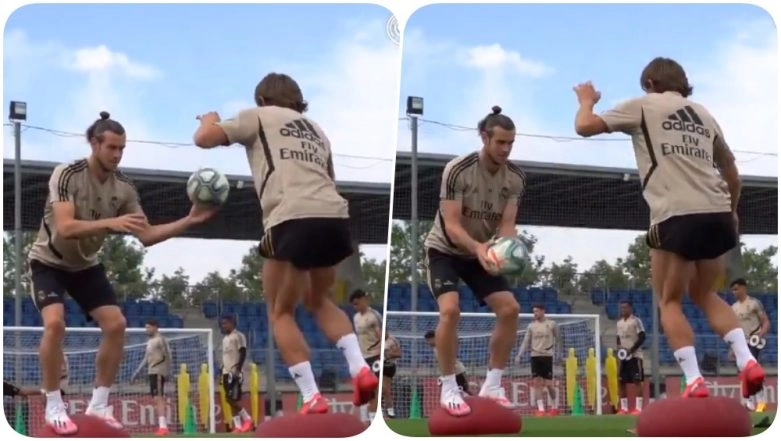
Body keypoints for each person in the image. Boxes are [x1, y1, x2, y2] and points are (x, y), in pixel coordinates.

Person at [572, 57, 764, 399]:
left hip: (676, 214)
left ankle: (694, 381)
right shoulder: (704, 114)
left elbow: (584, 127)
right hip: (718, 215)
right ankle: (747, 359)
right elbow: (733, 172)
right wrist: (733, 212)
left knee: (668, 301)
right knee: (706, 295)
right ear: (683, 84)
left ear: (648, 83)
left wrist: (586, 100)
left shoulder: (644, 105)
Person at [192, 72, 377, 414]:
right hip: (334, 217)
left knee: (279, 311)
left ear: (262, 99)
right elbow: (330, 178)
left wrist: (210, 120)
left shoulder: (257, 115)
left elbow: (203, 139)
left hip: (290, 216)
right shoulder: (317, 130)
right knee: (319, 300)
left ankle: (311, 396)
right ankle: (361, 368)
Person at [27, 111, 218, 434]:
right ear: (94, 143)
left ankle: (99, 404)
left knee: (116, 325)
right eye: (111, 147)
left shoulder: (124, 188)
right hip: (49, 261)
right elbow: (65, 226)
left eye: (122, 149)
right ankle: (54, 404)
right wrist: (111, 223)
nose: (117, 155)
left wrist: (189, 220)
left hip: (85, 265)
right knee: (56, 322)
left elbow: (146, 235)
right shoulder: (67, 174)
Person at [423, 105, 525, 416]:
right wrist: (479, 247)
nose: (506, 149)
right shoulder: (457, 170)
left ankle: (493, 385)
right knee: (451, 311)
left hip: (482, 252)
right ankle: (450, 387)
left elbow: (507, 225)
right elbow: (451, 225)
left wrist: (508, 249)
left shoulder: (516, 178)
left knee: (510, 309)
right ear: (484, 137)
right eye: (500, 142)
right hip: (445, 250)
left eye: (510, 143)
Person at [730, 278, 770, 412]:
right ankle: (750, 403)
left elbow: (765, 322)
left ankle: (761, 402)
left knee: (752, 372)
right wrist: (732, 348)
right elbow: (733, 328)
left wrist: (760, 335)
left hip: (753, 341)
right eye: (733, 290)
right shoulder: (733, 308)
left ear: (743, 288)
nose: (734, 292)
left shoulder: (754, 303)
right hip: (740, 343)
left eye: (736, 289)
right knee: (743, 373)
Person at [515, 305, 560, 416]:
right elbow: (526, 341)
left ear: (543, 311)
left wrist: (559, 354)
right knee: (537, 383)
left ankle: (554, 407)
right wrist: (519, 355)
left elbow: (559, 340)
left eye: (537, 311)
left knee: (549, 384)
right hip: (535, 356)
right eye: (534, 311)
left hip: (547, 356)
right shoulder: (531, 326)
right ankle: (541, 409)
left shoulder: (552, 324)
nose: (535, 313)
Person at [130, 319, 173, 435]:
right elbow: (146, 358)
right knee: (155, 398)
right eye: (146, 328)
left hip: (159, 371)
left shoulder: (161, 339)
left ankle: (163, 427)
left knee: (159, 398)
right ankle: (162, 425)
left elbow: (168, 355)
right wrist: (137, 372)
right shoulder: (150, 341)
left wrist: (167, 371)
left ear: (155, 327)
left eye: (149, 327)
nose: (147, 330)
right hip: (152, 371)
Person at [350, 289, 383, 421]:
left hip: (375, 356)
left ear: (364, 300)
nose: (356, 307)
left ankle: (373, 419)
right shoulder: (355, 318)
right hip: (362, 359)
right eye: (354, 305)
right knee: (364, 391)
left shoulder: (375, 315)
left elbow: (382, 336)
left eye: (357, 303)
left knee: (375, 389)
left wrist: (381, 354)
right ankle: (367, 420)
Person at [219, 316, 253, 433]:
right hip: (225, 372)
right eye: (223, 324)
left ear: (232, 323)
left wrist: (238, 369)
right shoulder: (225, 339)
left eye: (226, 323)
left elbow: (243, 352)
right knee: (229, 399)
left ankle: (247, 418)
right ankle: (238, 426)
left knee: (232, 398)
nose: (224, 326)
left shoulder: (238, 336)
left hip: (234, 372)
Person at [614, 301, 646, 415]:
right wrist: (619, 348)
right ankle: (624, 408)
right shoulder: (619, 323)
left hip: (635, 355)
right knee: (621, 381)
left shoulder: (636, 321)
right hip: (623, 357)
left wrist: (631, 350)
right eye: (621, 308)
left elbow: (642, 337)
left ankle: (638, 408)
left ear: (630, 308)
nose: (623, 310)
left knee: (637, 380)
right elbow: (618, 338)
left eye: (625, 307)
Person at [424, 330, 471, 396]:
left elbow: (450, 356)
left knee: (464, 391)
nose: (428, 342)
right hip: (450, 373)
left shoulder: (442, 345)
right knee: (456, 392)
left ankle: (474, 403)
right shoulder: (435, 348)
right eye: (427, 340)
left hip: (457, 371)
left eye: (429, 340)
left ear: (434, 338)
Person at [382, 332, 402, 418]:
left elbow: (398, 354)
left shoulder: (392, 341)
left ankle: (390, 412)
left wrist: (387, 355)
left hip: (388, 366)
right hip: (376, 365)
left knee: (385, 390)